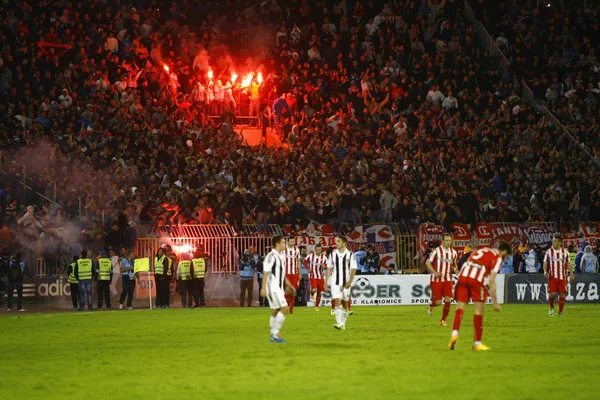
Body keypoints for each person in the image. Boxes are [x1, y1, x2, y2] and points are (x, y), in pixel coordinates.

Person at [449, 242, 512, 351]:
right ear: (504, 252)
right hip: (476, 279)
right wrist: (495, 303)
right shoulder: (498, 257)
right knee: (479, 311)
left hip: (463, 276)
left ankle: (454, 334)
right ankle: (477, 343)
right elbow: (491, 281)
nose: (505, 259)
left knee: (460, 308)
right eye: (507, 256)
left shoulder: (482, 250)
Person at [260, 235, 296, 343]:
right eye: (283, 242)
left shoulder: (280, 256)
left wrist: (290, 286)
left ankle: (273, 334)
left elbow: (282, 275)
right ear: (277, 244)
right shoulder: (271, 256)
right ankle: (275, 334)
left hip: (278, 288)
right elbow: (266, 272)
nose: (285, 244)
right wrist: (263, 288)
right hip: (273, 287)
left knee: (276, 310)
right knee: (285, 309)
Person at [426, 233, 458, 326]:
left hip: (448, 279)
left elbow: (453, 263)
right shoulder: (436, 251)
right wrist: (435, 272)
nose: (448, 242)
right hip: (436, 280)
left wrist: (456, 269)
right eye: (446, 240)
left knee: (448, 299)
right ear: (442, 241)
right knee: (438, 302)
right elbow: (428, 263)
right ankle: (431, 304)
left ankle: (443, 320)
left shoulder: (453, 252)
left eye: (449, 240)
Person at [325, 236, 357, 330]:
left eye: (338, 241)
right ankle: (338, 323)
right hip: (335, 281)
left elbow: (353, 269)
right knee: (337, 300)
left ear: (344, 243)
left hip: (346, 282)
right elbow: (329, 268)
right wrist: (326, 281)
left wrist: (350, 281)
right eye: (336, 241)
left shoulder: (350, 254)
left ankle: (343, 324)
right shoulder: (332, 254)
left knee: (345, 303)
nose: (336, 243)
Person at [543, 235, 574, 317]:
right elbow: (545, 262)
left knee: (562, 294)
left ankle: (560, 312)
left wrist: (571, 273)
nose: (553, 243)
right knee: (552, 294)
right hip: (552, 277)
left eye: (555, 241)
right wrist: (545, 271)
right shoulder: (549, 251)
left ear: (560, 243)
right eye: (553, 241)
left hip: (562, 277)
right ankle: (552, 307)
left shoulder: (565, 252)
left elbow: (569, 263)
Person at [306, 244, 327, 311]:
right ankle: (311, 292)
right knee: (314, 289)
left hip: (320, 276)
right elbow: (304, 261)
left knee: (319, 292)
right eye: (317, 250)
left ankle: (316, 307)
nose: (318, 251)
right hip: (313, 275)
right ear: (315, 250)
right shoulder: (311, 256)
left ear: (321, 250)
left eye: (320, 250)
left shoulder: (324, 257)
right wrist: (308, 268)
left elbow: (327, 267)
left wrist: (325, 267)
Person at [284, 237, 301, 314]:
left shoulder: (297, 250)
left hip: (294, 273)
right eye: (290, 241)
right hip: (286, 273)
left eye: (293, 241)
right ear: (288, 242)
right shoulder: (284, 249)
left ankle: (291, 309)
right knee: (287, 291)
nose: (292, 242)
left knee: (294, 291)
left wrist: (299, 273)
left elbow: (298, 261)